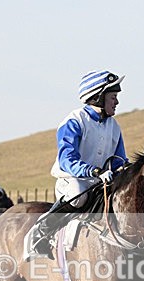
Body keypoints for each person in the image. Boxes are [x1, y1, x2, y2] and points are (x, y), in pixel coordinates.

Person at [24, 70, 127, 261]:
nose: (117, 102)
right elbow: (67, 159)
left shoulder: (115, 126)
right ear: (98, 97)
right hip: (72, 180)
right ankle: (41, 230)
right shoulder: (74, 121)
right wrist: (94, 171)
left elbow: (120, 160)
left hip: (101, 182)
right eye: (113, 97)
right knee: (79, 196)